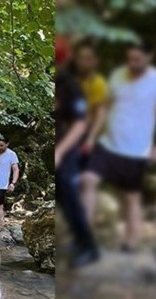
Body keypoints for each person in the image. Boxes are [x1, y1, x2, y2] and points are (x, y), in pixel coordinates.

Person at [80, 40, 156, 252]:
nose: (132, 63)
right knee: (88, 180)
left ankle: (131, 243)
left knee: (130, 198)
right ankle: (84, 240)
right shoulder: (118, 75)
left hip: (135, 151)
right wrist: (91, 137)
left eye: (137, 59)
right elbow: (105, 108)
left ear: (149, 58)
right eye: (130, 58)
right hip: (107, 144)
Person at [54, 35, 100, 268]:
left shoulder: (70, 86)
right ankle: (78, 240)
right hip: (60, 148)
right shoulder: (58, 83)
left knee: (71, 196)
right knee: (63, 199)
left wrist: (61, 151)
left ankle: (88, 246)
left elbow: (80, 124)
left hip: (68, 150)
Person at [72, 41, 109, 169]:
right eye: (80, 58)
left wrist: (91, 139)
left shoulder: (98, 83)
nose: (83, 62)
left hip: (88, 136)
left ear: (95, 61)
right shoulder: (72, 81)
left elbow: (101, 113)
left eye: (87, 59)